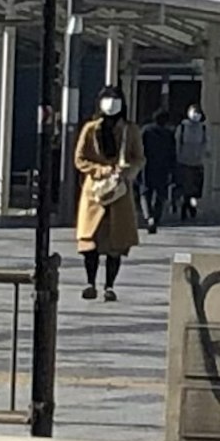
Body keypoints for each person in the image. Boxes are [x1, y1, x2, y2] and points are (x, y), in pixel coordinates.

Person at [71, 92, 142, 298]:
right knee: (89, 241)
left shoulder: (130, 130)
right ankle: (90, 282)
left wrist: (127, 171)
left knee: (116, 242)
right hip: (94, 192)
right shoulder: (90, 129)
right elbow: (80, 159)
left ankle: (109, 286)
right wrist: (101, 170)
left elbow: (139, 158)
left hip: (119, 192)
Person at [138, 97, 183, 230]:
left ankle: (148, 216)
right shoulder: (168, 134)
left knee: (145, 193)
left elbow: (140, 148)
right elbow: (172, 154)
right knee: (160, 194)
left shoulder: (146, 131)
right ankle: (156, 217)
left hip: (146, 166)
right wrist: (173, 171)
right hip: (163, 168)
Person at [174, 93, 211, 223]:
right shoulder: (182, 127)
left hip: (197, 163)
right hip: (184, 162)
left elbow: (206, 144)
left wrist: (205, 154)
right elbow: (177, 143)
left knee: (195, 189)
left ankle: (189, 206)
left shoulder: (203, 128)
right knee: (186, 188)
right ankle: (186, 208)